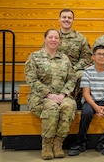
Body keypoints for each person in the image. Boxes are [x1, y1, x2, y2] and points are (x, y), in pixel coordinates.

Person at [25, 29, 77, 160]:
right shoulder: (35, 57)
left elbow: (72, 78)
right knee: (52, 108)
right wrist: (48, 94)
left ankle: (58, 144)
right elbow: (31, 79)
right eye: (50, 37)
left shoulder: (65, 59)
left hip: (61, 96)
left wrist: (63, 94)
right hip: (40, 97)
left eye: (56, 38)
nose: (53, 40)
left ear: (59, 41)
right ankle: (47, 145)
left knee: (68, 106)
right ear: (44, 39)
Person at [68, 45, 104, 156]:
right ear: (93, 57)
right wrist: (96, 107)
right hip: (91, 100)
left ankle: (103, 142)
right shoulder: (87, 72)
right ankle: (80, 143)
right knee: (86, 113)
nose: (101, 57)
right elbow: (86, 94)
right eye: (99, 54)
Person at [58, 9, 92, 109]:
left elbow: (86, 59)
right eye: (64, 17)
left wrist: (73, 68)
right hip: (55, 70)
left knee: (83, 75)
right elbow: (45, 55)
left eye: (69, 18)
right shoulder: (53, 36)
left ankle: (77, 104)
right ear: (59, 19)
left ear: (73, 20)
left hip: (74, 70)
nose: (66, 20)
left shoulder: (80, 38)